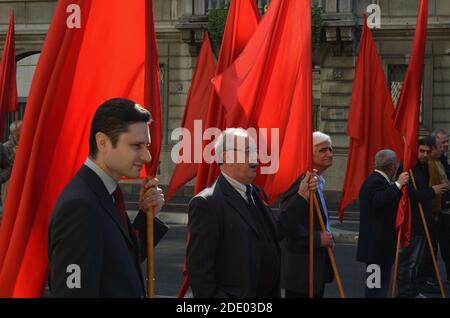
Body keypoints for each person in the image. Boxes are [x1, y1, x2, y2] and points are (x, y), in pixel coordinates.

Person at [48, 98, 168, 298]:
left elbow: (119, 266)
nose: (147, 156)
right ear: (102, 142)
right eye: (136, 146)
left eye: (146, 145)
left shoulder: (106, 193)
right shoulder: (80, 206)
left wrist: (146, 216)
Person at [186, 128, 317, 298]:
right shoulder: (207, 203)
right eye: (248, 152)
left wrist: (301, 197)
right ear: (228, 157)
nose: (256, 158)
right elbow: (199, 270)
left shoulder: (256, 192)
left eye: (255, 151)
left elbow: (274, 231)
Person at [280, 131, 335, 298]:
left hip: (315, 270)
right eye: (323, 150)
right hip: (303, 274)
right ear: (308, 154)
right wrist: (319, 238)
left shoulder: (317, 182)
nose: (329, 154)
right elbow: (289, 226)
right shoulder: (299, 184)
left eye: (330, 149)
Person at [397, 137, 448, 298]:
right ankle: (405, 292)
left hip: (425, 221)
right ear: (415, 151)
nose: (425, 155)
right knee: (409, 262)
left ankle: (413, 290)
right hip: (412, 223)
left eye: (427, 151)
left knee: (417, 261)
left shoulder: (426, 167)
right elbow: (410, 194)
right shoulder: (408, 168)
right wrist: (432, 191)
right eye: (421, 151)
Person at [356, 149, 409, 298]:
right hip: (376, 248)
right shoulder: (375, 181)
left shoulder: (377, 180)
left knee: (380, 286)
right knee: (375, 288)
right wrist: (398, 184)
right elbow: (379, 201)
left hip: (380, 247)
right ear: (392, 166)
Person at [432, 129, 450, 284]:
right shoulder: (430, 162)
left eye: (447, 141)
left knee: (447, 246)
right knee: (432, 247)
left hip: (446, 210)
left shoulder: (443, 159)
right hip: (435, 211)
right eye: (442, 142)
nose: (445, 145)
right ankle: (430, 278)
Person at [2, 120, 21, 205]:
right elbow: (4, 166)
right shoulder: (6, 146)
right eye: (19, 131)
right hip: (10, 180)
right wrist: (13, 156)